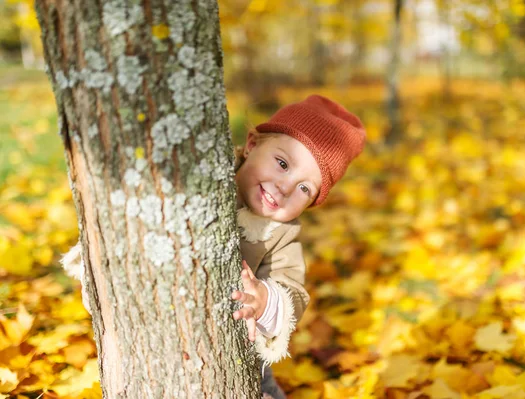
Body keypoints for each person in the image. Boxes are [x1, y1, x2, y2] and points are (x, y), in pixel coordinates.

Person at [61, 94, 366, 398]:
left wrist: (264, 300)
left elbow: (294, 291)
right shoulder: (207, 179)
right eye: (283, 163)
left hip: (240, 358)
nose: (285, 187)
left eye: (304, 188)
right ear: (251, 144)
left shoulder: (281, 232)